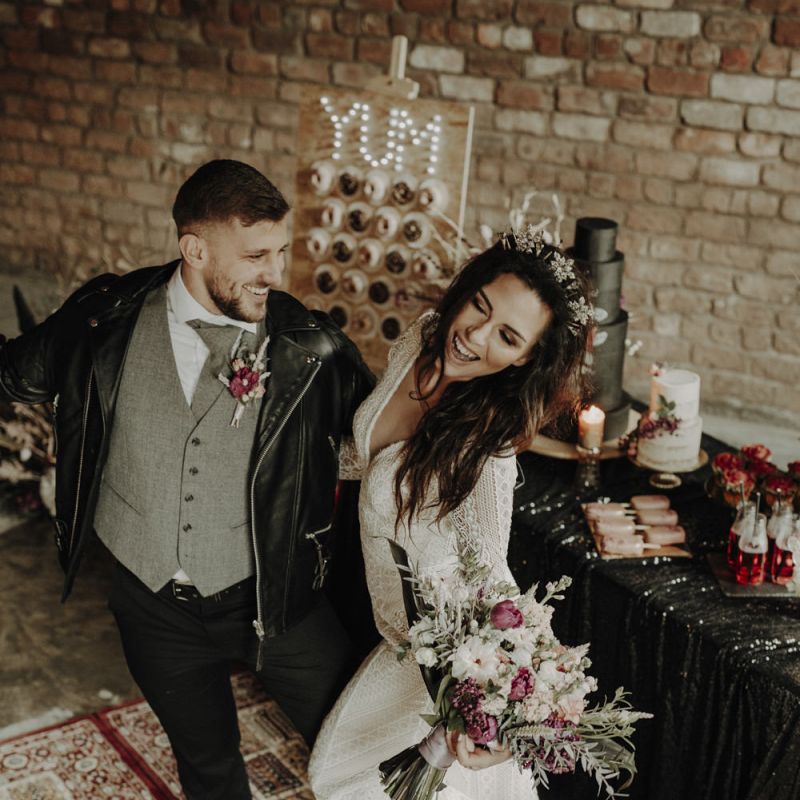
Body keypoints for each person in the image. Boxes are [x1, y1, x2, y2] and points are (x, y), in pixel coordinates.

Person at [0, 159, 374, 800]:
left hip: (277, 601)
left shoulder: (311, 347)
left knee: (364, 754)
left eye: (281, 252)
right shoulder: (103, 320)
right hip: (152, 607)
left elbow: (373, 444)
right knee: (207, 769)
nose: (275, 274)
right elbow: (17, 374)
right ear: (194, 249)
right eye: (257, 255)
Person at [308, 227, 593, 799]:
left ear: (526, 358)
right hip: (393, 639)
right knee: (338, 777)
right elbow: (372, 458)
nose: (474, 335)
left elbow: (494, 579)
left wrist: (508, 705)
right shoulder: (421, 340)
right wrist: (290, 455)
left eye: (506, 336)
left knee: (349, 784)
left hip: (440, 666)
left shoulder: (486, 450)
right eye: (479, 307)